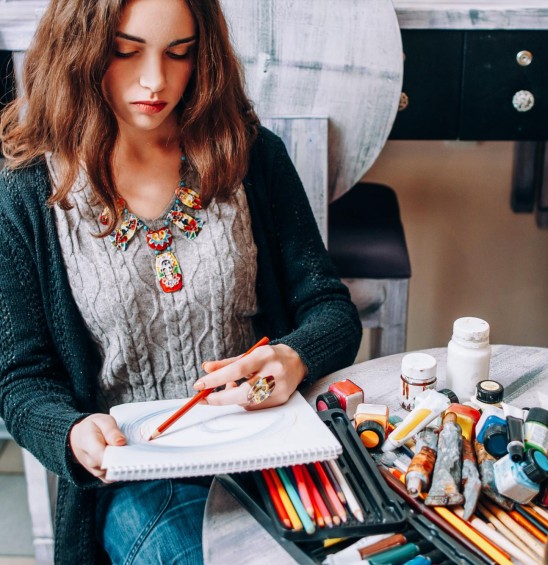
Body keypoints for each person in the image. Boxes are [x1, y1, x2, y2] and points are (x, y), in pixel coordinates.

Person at [0, 0, 362, 563]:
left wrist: (294, 357)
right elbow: (21, 381)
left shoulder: (251, 156)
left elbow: (331, 310)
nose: (155, 80)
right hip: (138, 479)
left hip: (267, 451)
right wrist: (72, 434)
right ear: (81, 49)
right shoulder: (27, 194)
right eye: (125, 51)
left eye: (180, 54)